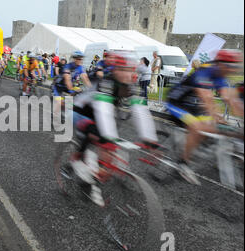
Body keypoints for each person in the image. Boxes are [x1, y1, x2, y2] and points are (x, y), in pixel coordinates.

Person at [70, 52, 158, 206]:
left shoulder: (132, 85)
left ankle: (94, 172)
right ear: (115, 70)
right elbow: (104, 113)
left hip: (102, 114)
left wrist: (150, 139)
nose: (131, 74)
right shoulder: (107, 83)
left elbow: (141, 112)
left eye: (132, 70)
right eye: (125, 70)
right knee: (102, 143)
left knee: (110, 151)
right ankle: (78, 161)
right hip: (82, 112)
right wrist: (109, 142)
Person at [165, 49, 244, 185]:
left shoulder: (220, 76)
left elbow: (231, 100)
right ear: (220, 64)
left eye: (236, 67)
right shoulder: (204, 71)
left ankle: (195, 145)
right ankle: (183, 163)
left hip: (194, 107)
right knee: (198, 127)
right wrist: (215, 115)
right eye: (231, 67)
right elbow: (207, 98)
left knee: (220, 127)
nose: (233, 71)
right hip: (176, 102)